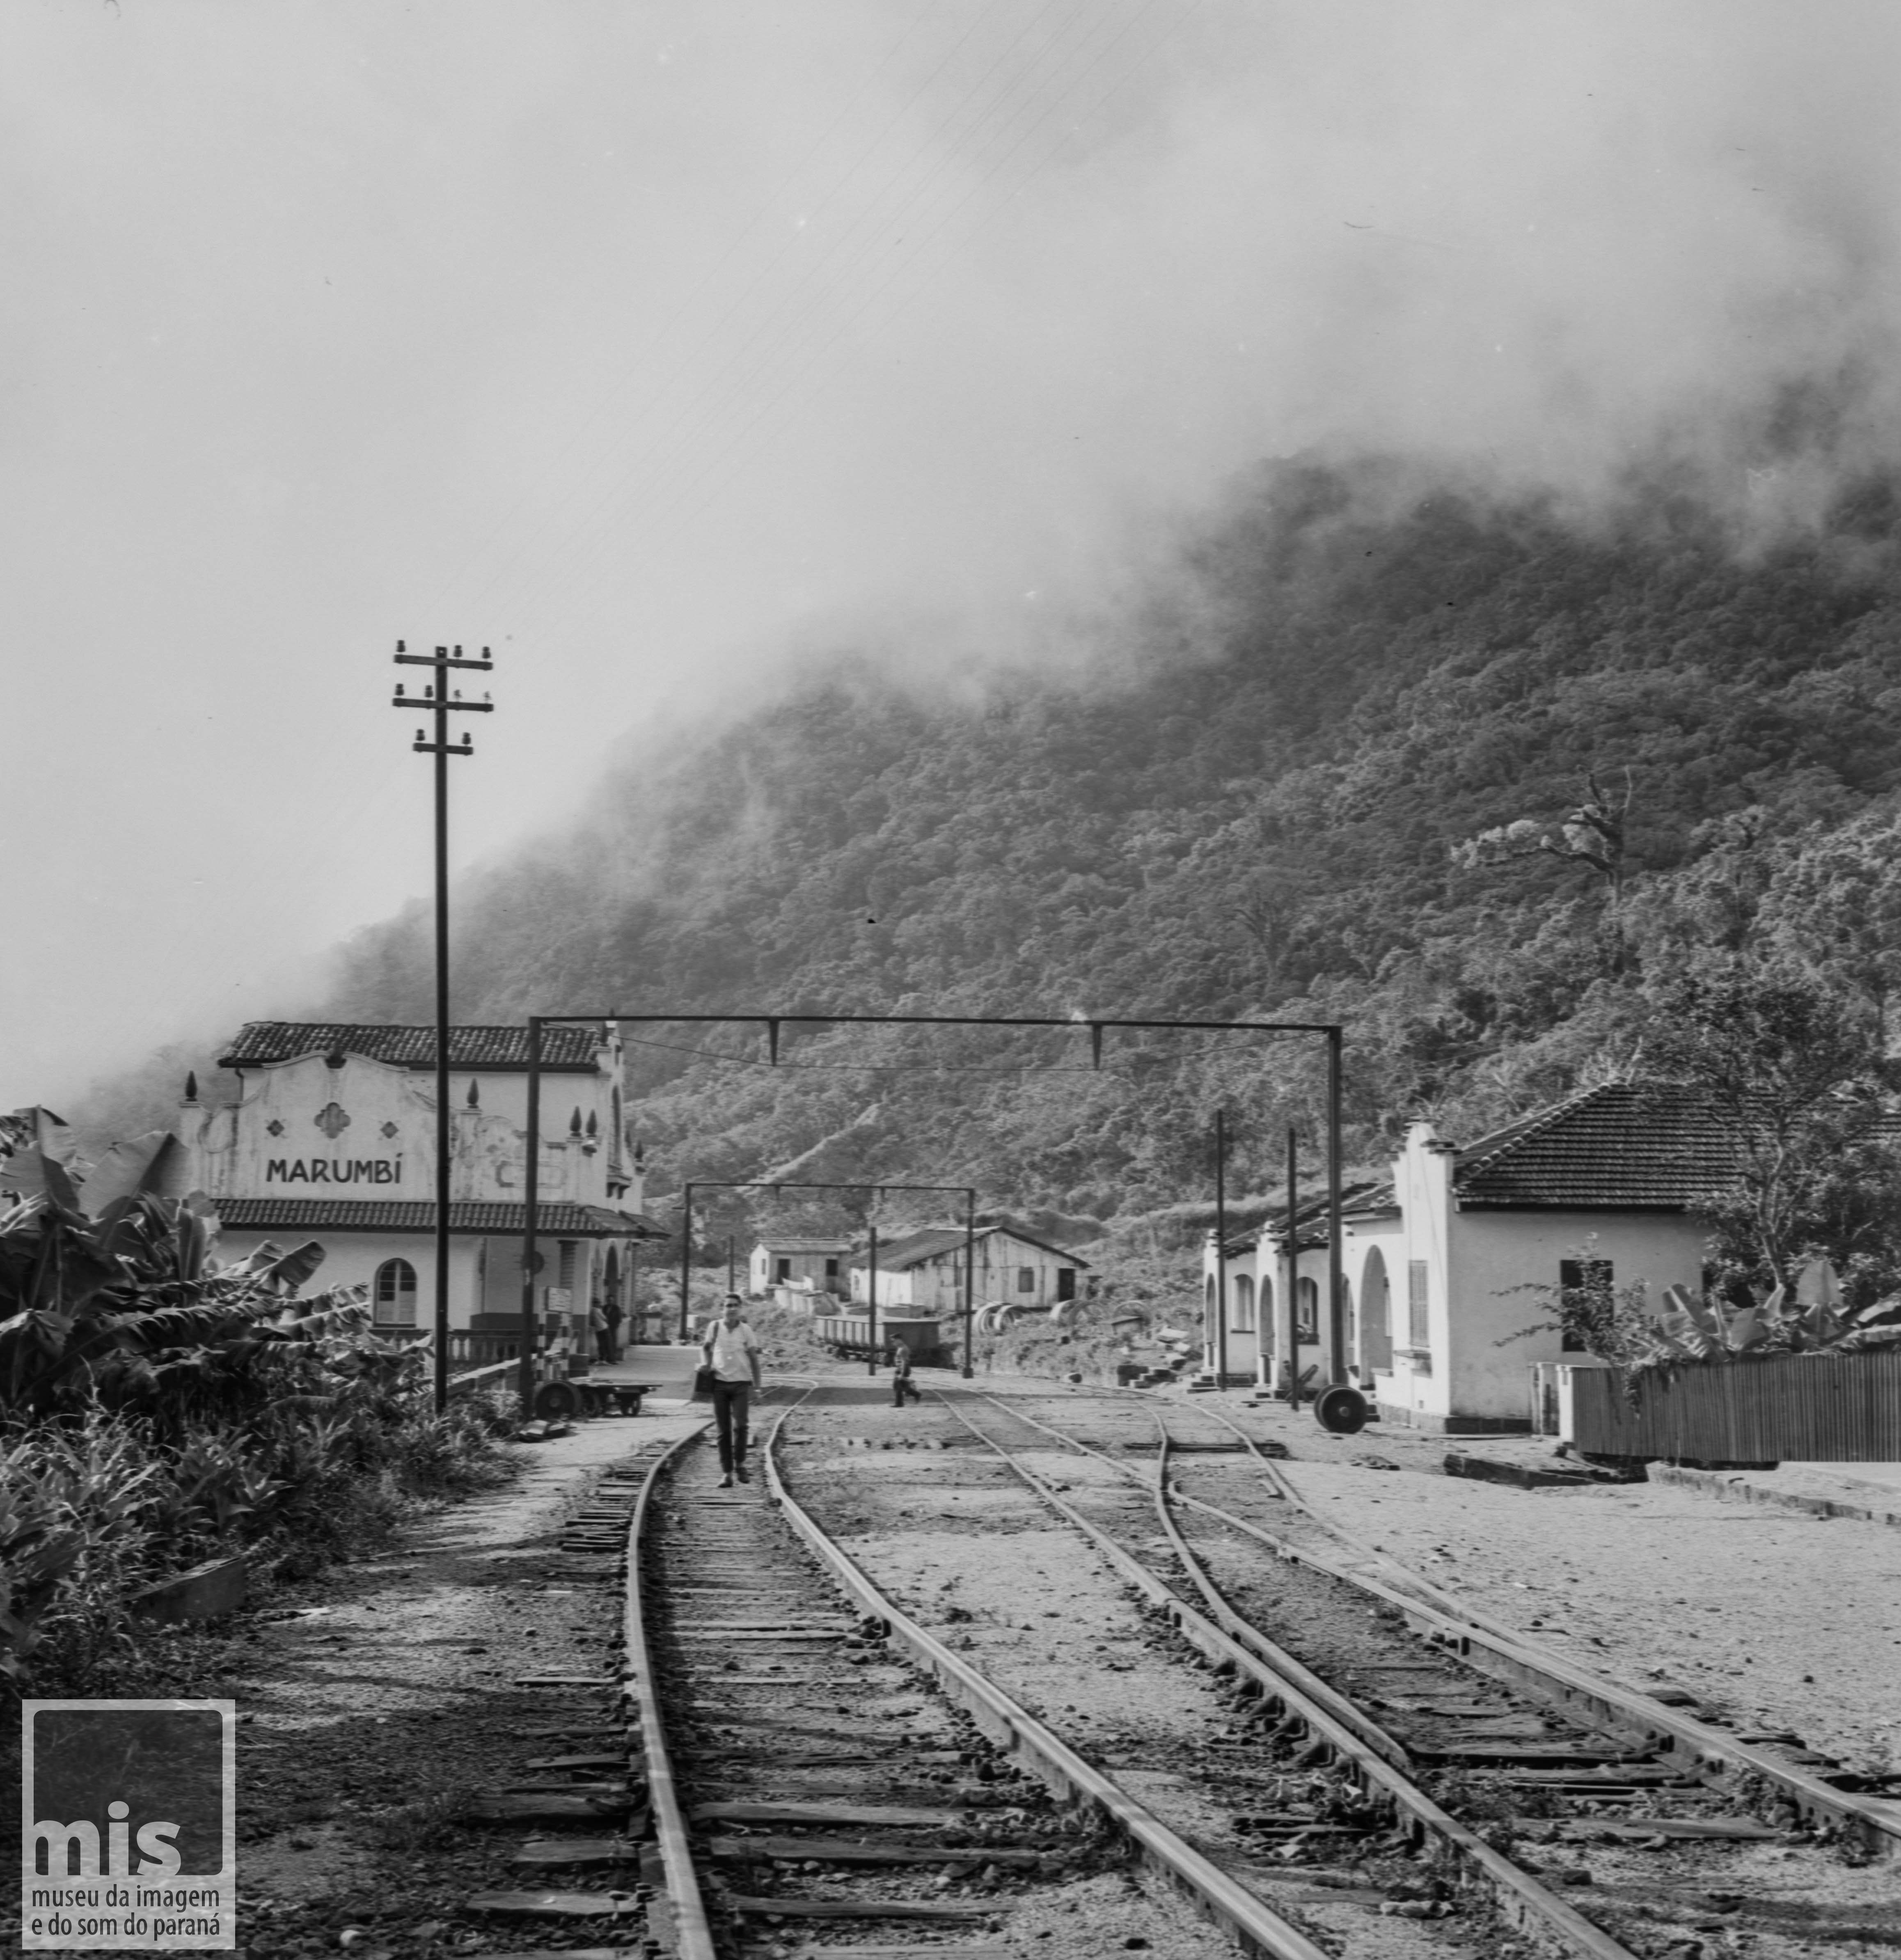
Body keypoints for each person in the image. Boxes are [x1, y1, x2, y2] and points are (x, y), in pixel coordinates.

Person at [701, 1294, 763, 1488]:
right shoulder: (715, 1327)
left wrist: (758, 1387)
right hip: (719, 1384)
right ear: (723, 1309)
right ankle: (727, 1474)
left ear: (741, 1309)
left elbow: (754, 1359)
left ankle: (741, 1465)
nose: (732, 1309)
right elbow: (706, 1347)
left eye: (736, 1306)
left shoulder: (746, 1331)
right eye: (728, 1306)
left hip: (741, 1385)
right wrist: (706, 1364)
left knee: (742, 1426)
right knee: (723, 1431)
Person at [889, 1337, 921, 1408]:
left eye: (894, 1341)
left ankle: (900, 1403)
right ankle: (916, 1395)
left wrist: (902, 1374)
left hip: (903, 1369)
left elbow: (904, 1362)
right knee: (901, 1386)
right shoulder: (900, 1348)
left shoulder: (903, 1349)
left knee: (899, 1386)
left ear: (899, 1340)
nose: (893, 1343)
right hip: (900, 1369)